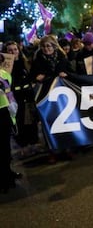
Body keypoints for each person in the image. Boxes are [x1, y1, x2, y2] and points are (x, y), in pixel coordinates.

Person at [30, 35, 71, 163]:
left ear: (54, 46)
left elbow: (73, 72)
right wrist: (36, 77)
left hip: (61, 96)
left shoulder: (62, 58)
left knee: (64, 122)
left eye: (48, 46)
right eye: (43, 46)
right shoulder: (38, 60)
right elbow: (32, 75)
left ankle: (66, 149)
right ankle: (52, 151)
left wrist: (66, 74)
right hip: (46, 96)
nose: (46, 48)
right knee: (48, 123)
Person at [4, 41, 39, 158]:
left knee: (30, 120)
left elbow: (32, 76)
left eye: (15, 49)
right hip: (14, 98)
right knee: (19, 122)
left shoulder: (26, 63)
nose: (13, 52)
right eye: (10, 50)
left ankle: (33, 144)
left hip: (28, 96)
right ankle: (23, 146)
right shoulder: (4, 67)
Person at [0, 53, 21, 193]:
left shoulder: (4, 75)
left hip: (3, 113)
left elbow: (9, 93)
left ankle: (7, 174)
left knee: (5, 148)